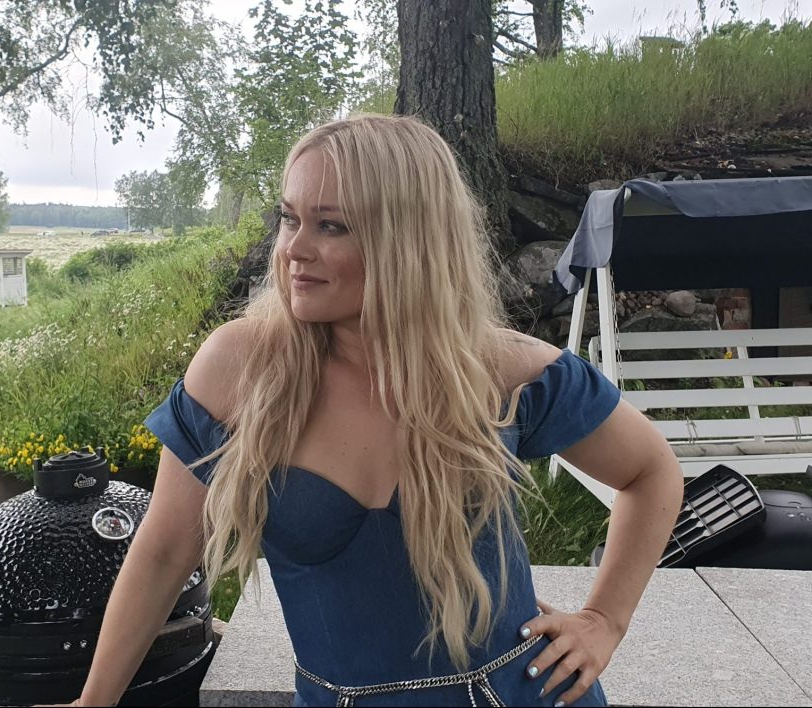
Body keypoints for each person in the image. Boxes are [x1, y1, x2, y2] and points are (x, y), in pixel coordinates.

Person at [67, 115, 683, 707]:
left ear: (408, 240)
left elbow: (651, 471)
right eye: (289, 218)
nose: (293, 249)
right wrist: (93, 701)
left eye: (330, 226)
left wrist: (604, 620)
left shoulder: (503, 371)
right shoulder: (241, 369)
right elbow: (164, 550)